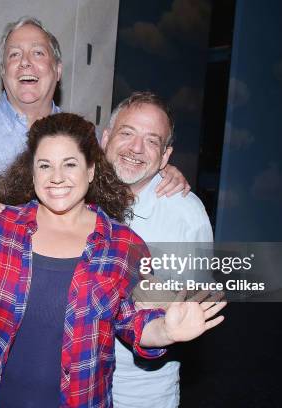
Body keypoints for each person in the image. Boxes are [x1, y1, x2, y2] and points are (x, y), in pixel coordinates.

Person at [0, 16, 190, 407]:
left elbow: (127, 158)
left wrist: (161, 170)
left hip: (76, 335)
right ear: (2, 71)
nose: (25, 63)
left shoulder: (79, 133)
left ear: (56, 70)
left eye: (37, 53)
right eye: (14, 55)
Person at [0, 113, 226, 408]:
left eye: (70, 164)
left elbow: (135, 324)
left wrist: (166, 331)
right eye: (44, 165)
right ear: (32, 171)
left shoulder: (123, 246)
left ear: (91, 170)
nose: (56, 178)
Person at [101, 92, 214, 407]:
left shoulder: (186, 214)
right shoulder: (77, 193)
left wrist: (148, 291)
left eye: (152, 141)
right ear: (106, 138)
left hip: (140, 390)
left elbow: (199, 304)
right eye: (127, 133)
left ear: (165, 157)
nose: (136, 148)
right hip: (71, 382)